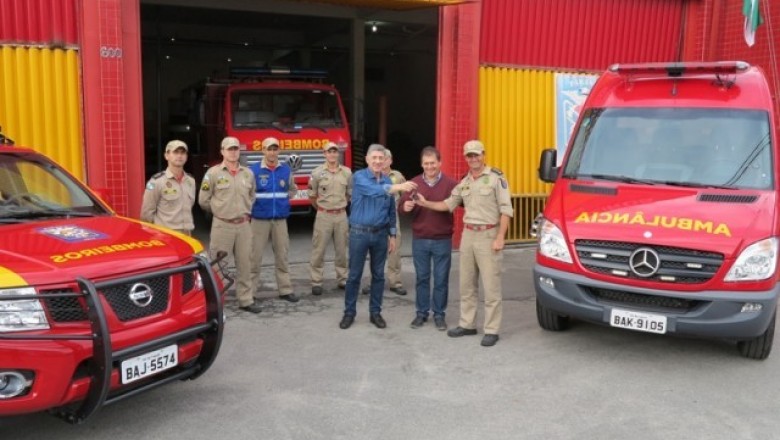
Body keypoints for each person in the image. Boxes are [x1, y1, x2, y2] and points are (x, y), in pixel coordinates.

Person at [415, 140, 513, 347]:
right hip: (468, 236)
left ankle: (491, 329)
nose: (473, 159)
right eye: (469, 155)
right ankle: (468, 324)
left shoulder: (496, 178)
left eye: (476, 155)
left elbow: (506, 209)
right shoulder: (464, 182)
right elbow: (448, 204)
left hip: (489, 235)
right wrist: (425, 203)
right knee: (467, 284)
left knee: (491, 286)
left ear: (483, 155)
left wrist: (500, 237)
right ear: (465, 158)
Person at [339, 144, 417, 330]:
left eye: (381, 158)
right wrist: (398, 186)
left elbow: (391, 210)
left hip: (380, 234)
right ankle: (349, 313)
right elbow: (374, 191)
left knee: (378, 276)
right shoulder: (359, 177)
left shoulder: (387, 181)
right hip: (359, 233)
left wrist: (391, 234)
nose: (377, 161)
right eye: (374, 158)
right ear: (367, 159)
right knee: (354, 276)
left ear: (385, 161)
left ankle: (376, 312)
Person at [398, 147, 458, 331]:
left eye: (433, 163)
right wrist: (405, 207)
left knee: (441, 279)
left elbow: (453, 206)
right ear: (421, 164)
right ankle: (421, 313)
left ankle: (439, 315)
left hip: (442, 239)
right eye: (426, 163)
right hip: (420, 239)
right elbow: (401, 207)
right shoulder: (414, 183)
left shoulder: (450, 184)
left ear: (440, 163)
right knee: (422, 278)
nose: (429, 166)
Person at [199, 136, 259, 313]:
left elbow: (252, 195)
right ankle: (217, 301)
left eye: (236, 149)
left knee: (245, 263)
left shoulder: (248, 173)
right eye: (229, 149)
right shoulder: (213, 173)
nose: (233, 152)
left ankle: (246, 300)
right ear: (222, 151)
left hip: (243, 225)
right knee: (219, 265)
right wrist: (220, 211)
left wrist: (244, 210)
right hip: (222, 225)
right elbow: (203, 200)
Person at [249, 136, 300, 303]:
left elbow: (292, 190)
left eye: (275, 148)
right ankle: (250, 292)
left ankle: (285, 290)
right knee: (254, 257)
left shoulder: (285, 170)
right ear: (263, 150)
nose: (272, 152)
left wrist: (282, 203)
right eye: (268, 149)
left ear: (279, 151)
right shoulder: (253, 171)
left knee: (282, 256)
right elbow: (247, 193)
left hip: (280, 220)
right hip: (259, 220)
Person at [361, 148, 407, 295]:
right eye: (381, 158)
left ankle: (395, 282)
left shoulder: (397, 176)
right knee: (375, 251)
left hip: (393, 218)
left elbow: (406, 194)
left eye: (386, 158)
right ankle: (372, 282)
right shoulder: (369, 175)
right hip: (374, 218)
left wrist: (401, 206)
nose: (383, 161)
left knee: (395, 251)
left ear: (390, 161)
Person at [308, 141, 352, 296]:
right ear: (324, 154)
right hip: (323, 215)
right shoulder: (317, 173)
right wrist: (323, 208)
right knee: (318, 249)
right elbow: (312, 196)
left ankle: (342, 279)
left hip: (341, 215)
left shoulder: (346, 172)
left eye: (335, 151)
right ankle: (316, 281)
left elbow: (349, 194)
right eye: (329, 151)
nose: (332, 154)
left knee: (342, 249)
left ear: (338, 153)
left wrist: (340, 206)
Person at [140, 140, 196, 235]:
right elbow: (146, 214)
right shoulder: (156, 182)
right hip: (165, 235)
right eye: (175, 152)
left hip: (187, 235)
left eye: (183, 153)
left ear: (186, 157)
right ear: (166, 155)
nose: (179, 156)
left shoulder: (190, 181)